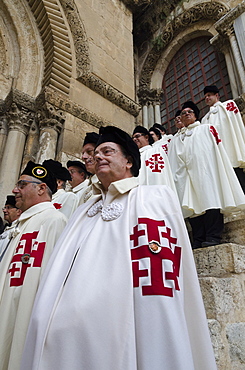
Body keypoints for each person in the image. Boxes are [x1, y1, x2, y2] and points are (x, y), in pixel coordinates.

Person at [22, 126, 216, 370]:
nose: (98, 156)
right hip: (66, 329)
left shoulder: (151, 198)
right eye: (97, 152)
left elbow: (157, 275)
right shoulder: (84, 209)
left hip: (118, 322)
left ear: (128, 162)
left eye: (108, 151)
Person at [0, 161, 67, 370]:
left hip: (25, 313)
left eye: (22, 184)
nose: (14, 190)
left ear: (40, 188)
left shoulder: (54, 220)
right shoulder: (23, 223)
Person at [168, 101, 245, 249]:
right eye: (183, 113)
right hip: (186, 176)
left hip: (205, 172)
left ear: (195, 115)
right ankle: (198, 238)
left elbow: (217, 150)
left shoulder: (206, 129)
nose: (186, 114)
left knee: (210, 200)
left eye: (189, 112)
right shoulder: (176, 139)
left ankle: (213, 236)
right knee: (192, 207)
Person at [201, 85, 245, 192]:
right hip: (216, 153)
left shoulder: (228, 106)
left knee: (239, 178)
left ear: (217, 95)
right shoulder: (204, 119)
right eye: (205, 96)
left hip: (229, 147)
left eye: (209, 95)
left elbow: (234, 125)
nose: (207, 98)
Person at [132, 125, 176, 192]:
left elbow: (158, 177)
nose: (134, 139)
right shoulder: (134, 157)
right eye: (133, 138)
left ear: (146, 137)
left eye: (137, 136)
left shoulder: (155, 151)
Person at [80, 132, 100, 204]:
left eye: (89, 152)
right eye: (83, 153)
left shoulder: (107, 184)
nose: (83, 157)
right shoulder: (87, 188)